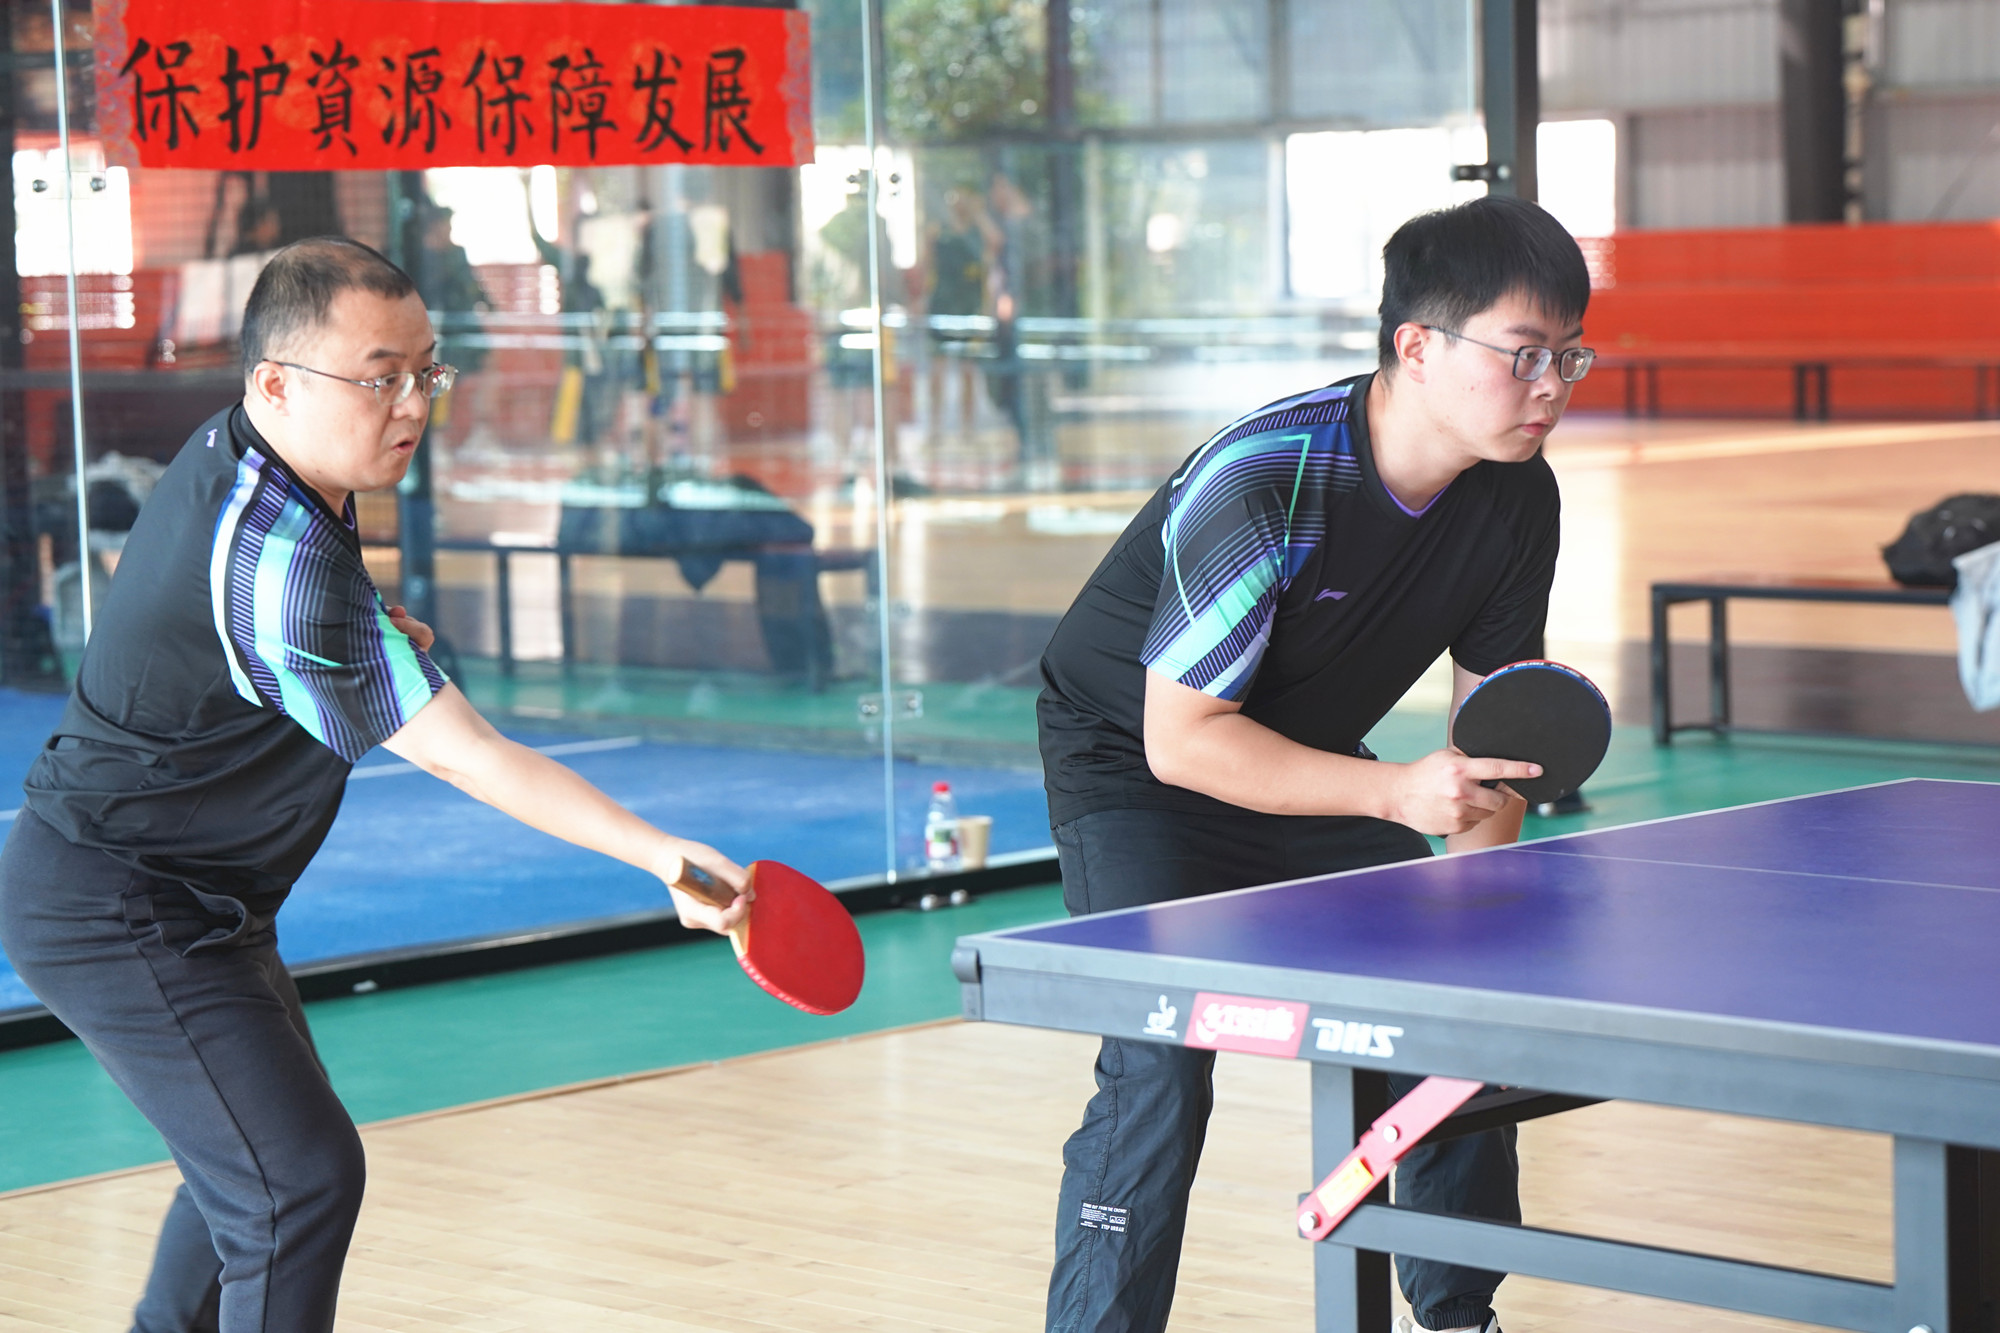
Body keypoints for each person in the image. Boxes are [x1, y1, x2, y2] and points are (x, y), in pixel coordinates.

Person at [0, 237, 751, 1333]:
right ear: (275, 381)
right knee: (294, 1182)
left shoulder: (258, 457)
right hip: (117, 904)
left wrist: (359, 635)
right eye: (378, 377)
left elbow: (237, 630)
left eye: (424, 371)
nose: (411, 405)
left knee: (248, 1168)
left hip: (194, 894)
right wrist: (665, 859)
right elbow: (465, 753)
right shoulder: (279, 555)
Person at [1034, 194, 1594, 1333]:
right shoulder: (1266, 477)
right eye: (1524, 353)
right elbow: (1184, 739)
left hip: (1303, 757)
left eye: (1568, 356)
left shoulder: (1514, 493)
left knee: (1449, 1013)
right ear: (1416, 346)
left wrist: (1471, 914)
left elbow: (1493, 736)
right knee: (1161, 1055)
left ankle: (1458, 1317)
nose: (1551, 385)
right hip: (1133, 761)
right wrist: (1396, 792)